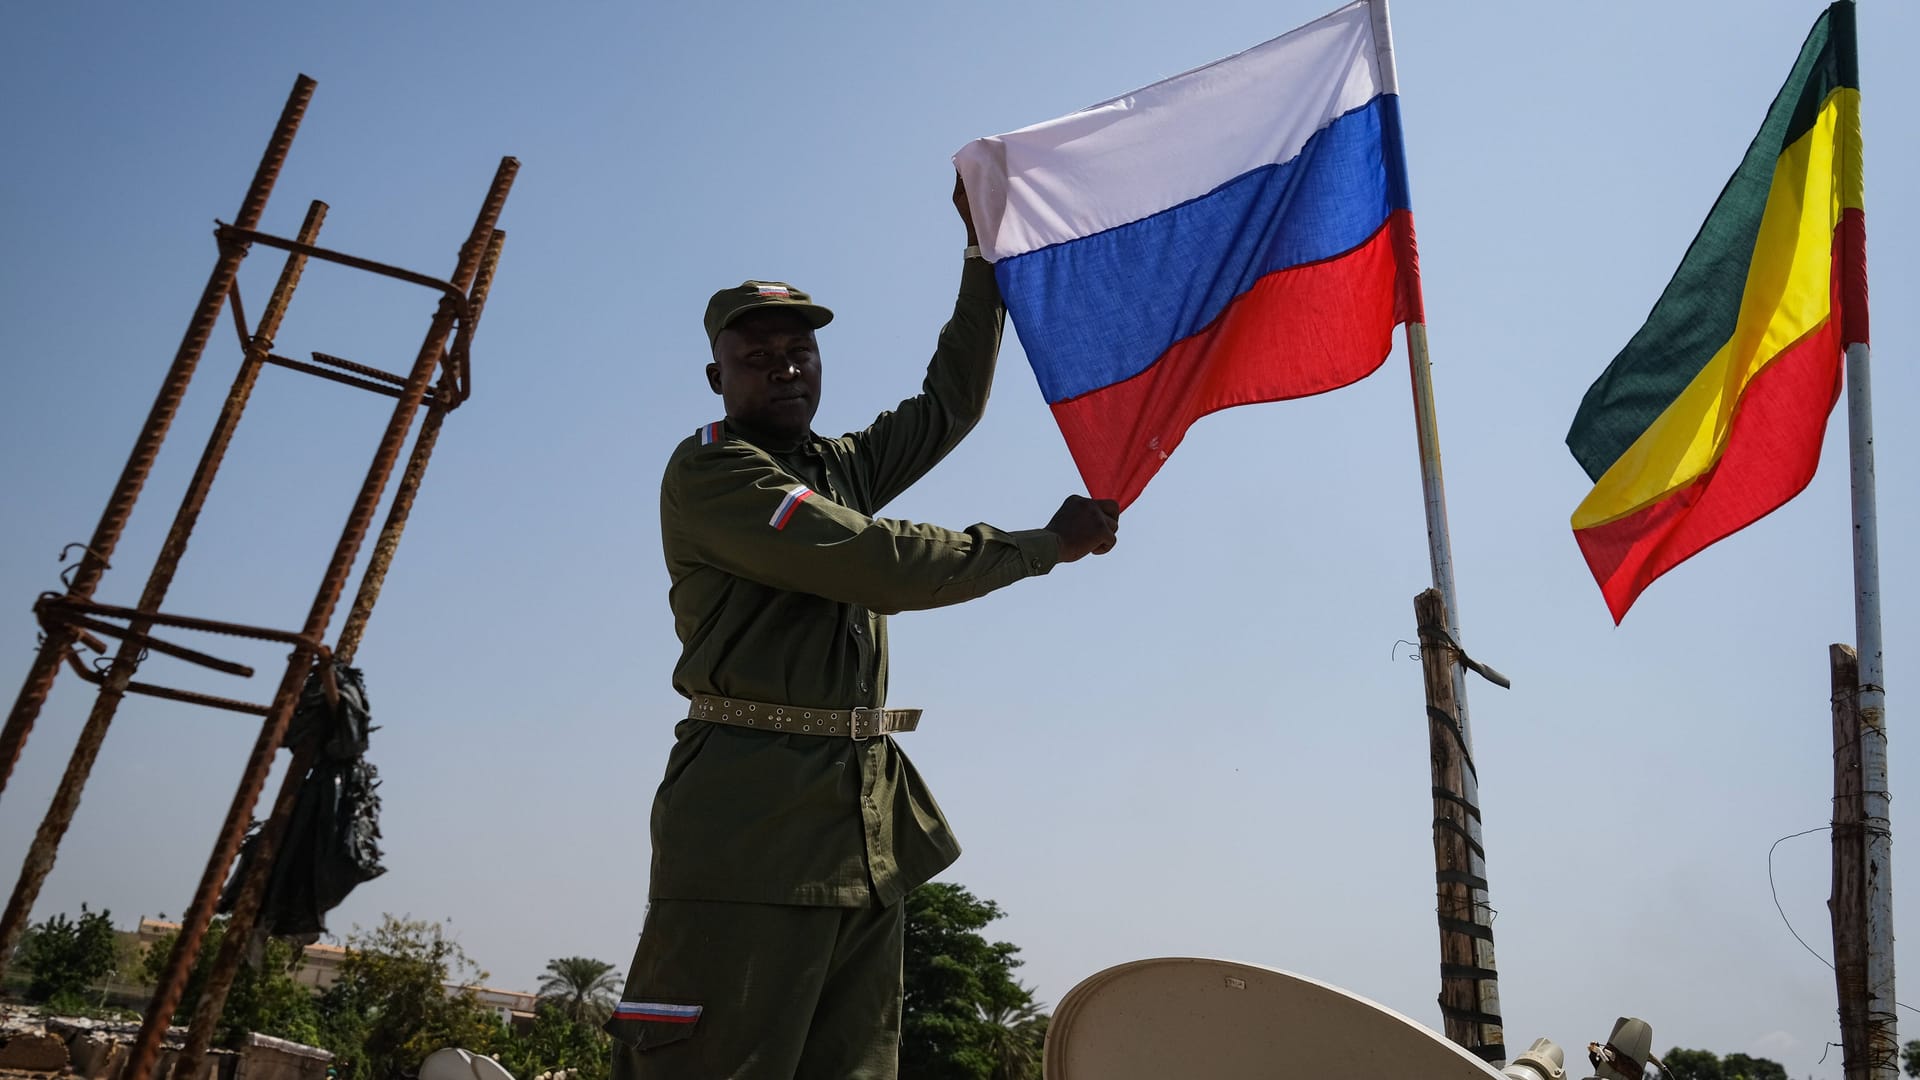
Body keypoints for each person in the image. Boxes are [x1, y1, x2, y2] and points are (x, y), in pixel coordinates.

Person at [605, 178, 1120, 1080]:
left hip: (863, 825)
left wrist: (981, 258)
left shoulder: (833, 465)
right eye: (756, 353)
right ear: (716, 376)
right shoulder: (714, 473)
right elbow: (874, 562)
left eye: (799, 350)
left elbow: (948, 407)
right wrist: (1044, 546)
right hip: (749, 826)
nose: (784, 365)